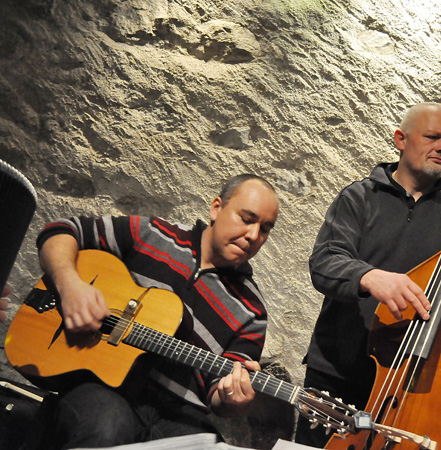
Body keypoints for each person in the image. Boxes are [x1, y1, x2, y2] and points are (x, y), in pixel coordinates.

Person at [295, 102, 441, 447]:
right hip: (338, 375)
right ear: (401, 139)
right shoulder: (359, 198)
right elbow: (325, 263)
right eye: (433, 137)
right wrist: (371, 276)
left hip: (411, 387)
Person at [35, 174, 279, 449]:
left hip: (178, 414)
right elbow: (60, 230)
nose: (253, 235)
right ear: (216, 208)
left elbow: (219, 393)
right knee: (107, 427)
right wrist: (70, 286)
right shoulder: (153, 234)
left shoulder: (252, 311)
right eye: (247, 219)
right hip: (100, 386)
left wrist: (233, 401)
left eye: (265, 229)